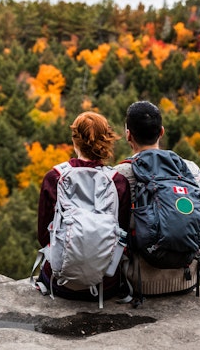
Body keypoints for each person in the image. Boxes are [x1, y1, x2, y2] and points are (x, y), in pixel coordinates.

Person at [113, 100, 200, 295]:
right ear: (162, 132)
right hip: (187, 278)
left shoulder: (119, 174)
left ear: (128, 134)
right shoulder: (190, 170)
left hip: (138, 281)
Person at [37, 111, 131, 300]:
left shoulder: (55, 177)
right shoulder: (118, 181)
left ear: (75, 141)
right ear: (106, 141)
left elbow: (44, 236)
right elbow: (122, 234)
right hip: (105, 284)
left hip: (59, 282)